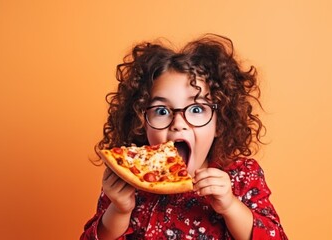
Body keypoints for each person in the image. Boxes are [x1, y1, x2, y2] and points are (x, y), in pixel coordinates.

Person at [81, 34, 288, 240]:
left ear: (220, 121)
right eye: (161, 111)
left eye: (196, 109)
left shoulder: (242, 176)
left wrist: (231, 206)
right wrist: (119, 211)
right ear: (140, 122)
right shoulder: (128, 180)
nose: (178, 124)